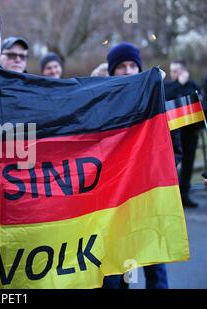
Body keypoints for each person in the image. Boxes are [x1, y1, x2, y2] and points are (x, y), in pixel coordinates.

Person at [104, 42, 171, 289]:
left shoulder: (155, 100)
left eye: (133, 65)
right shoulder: (102, 104)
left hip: (148, 193)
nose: (128, 70)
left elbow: (171, 141)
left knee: (154, 260)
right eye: (121, 66)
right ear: (112, 71)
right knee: (115, 264)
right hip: (115, 197)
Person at [165, 60, 201, 208]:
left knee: (188, 164)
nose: (173, 74)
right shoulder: (169, 86)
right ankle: (173, 196)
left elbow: (196, 101)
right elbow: (169, 98)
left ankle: (184, 194)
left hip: (190, 130)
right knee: (173, 164)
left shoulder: (192, 85)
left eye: (176, 71)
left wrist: (184, 85)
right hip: (174, 130)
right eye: (172, 71)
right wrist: (179, 84)